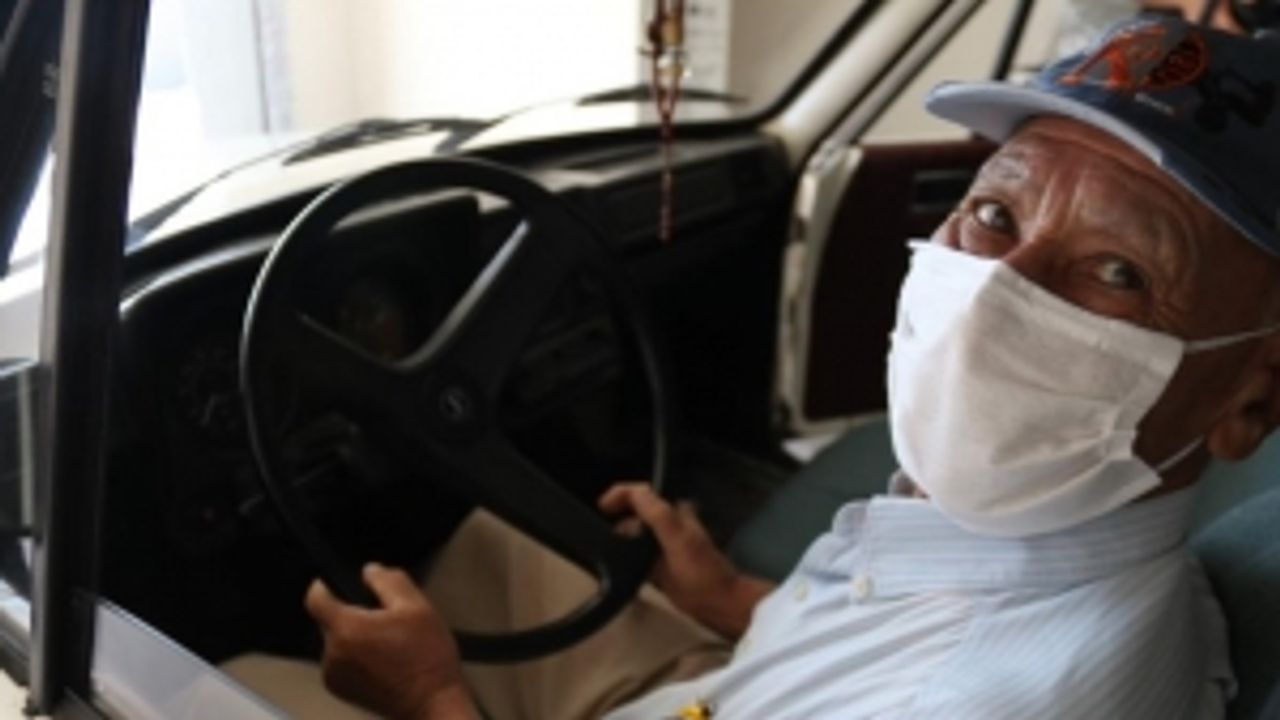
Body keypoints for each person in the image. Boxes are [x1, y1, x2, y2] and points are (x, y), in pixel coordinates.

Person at [230, 14, 1280, 719]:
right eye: (995, 212)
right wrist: (733, 596)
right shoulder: (1046, 527)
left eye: (1118, 272)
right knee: (503, 548)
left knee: (221, 683)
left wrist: (428, 699)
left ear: (1252, 399)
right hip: (732, 683)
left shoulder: (1001, 698)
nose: (997, 291)